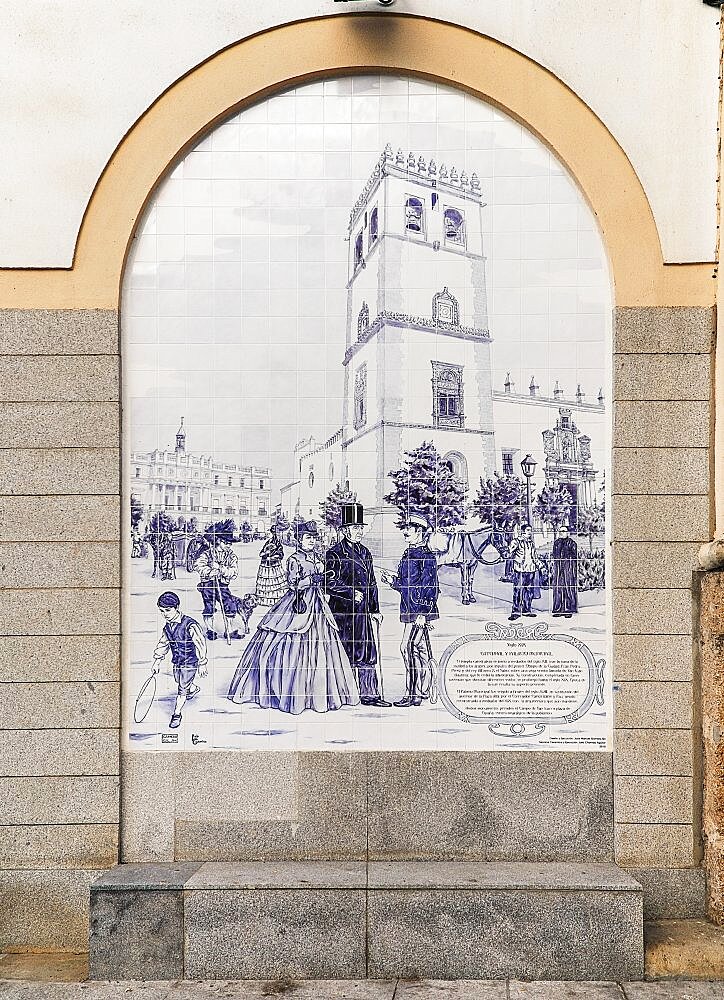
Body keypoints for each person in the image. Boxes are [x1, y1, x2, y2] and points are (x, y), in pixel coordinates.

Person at [227, 520, 360, 714]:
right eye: (308, 538)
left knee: (323, 645)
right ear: (299, 540)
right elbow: (292, 584)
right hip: (298, 604)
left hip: (317, 602)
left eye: (314, 538)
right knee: (290, 641)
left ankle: (321, 694)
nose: (312, 541)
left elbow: (324, 581)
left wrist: (330, 582)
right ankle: (289, 693)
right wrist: (311, 579)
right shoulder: (294, 559)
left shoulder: (316, 557)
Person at [324, 502, 389, 708]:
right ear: (344, 530)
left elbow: (372, 583)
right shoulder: (334, 553)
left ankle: (370, 694)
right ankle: (344, 694)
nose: (359, 531)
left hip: (362, 613)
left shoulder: (366, 552)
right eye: (355, 527)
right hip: (342, 612)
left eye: (361, 527)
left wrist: (375, 608)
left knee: (366, 652)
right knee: (344, 652)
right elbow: (328, 582)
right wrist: (351, 593)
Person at [380, 511, 439, 708]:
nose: (405, 531)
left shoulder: (427, 556)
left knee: (408, 647)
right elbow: (406, 584)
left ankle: (413, 693)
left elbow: (431, 588)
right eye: (405, 528)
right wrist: (392, 582)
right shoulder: (408, 553)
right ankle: (421, 690)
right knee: (418, 650)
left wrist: (423, 613)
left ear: (421, 532)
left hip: (418, 611)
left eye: (410, 529)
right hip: (408, 608)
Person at [151, 591, 208, 729]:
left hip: (190, 661)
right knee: (179, 679)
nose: (165, 614)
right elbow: (163, 644)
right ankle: (193, 689)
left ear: (177, 607)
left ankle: (176, 714)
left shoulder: (190, 625)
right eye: (162, 611)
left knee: (181, 689)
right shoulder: (167, 627)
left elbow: (200, 643)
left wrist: (202, 663)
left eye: (168, 610)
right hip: (177, 661)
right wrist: (157, 661)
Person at [193, 519, 244, 640]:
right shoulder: (208, 553)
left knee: (229, 605)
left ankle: (229, 631)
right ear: (220, 541)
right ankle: (210, 630)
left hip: (222, 585)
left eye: (230, 544)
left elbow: (234, 572)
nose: (229, 546)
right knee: (209, 608)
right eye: (227, 543)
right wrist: (210, 571)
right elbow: (198, 565)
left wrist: (221, 569)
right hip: (208, 584)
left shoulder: (231, 556)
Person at [507, 523, 543, 621]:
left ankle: (527, 610)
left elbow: (534, 557)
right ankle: (515, 612)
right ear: (523, 531)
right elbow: (509, 552)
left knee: (529, 591)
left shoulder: (531, 543)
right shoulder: (516, 541)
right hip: (520, 569)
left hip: (530, 569)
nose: (530, 532)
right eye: (528, 530)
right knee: (518, 590)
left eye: (530, 530)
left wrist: (541, 566)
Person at [255, 524, 287, 607]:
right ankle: (266, 600)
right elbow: (261, 553)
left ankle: (275, 600)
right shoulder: (268, 542)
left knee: (274, 582)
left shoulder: (278, 543)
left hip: (274, 565)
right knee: (267, 581)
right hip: (266, 565)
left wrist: (272, 557)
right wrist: (265, 554)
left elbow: (280, 555)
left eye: (276, 532)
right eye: (274, 532)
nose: (275, 534)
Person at [551, 523, 579, 618]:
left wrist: (569, 565)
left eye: (563, 531)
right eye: (560, 531)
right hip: (558, 567)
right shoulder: (556, 543)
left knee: (568, 587)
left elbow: (575, 557)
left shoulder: (572, 543)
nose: (561, 533)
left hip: (568, 567)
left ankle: (569, 609)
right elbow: (554, 555)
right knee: (558, 587)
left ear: (568, 533)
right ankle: (558, 609)